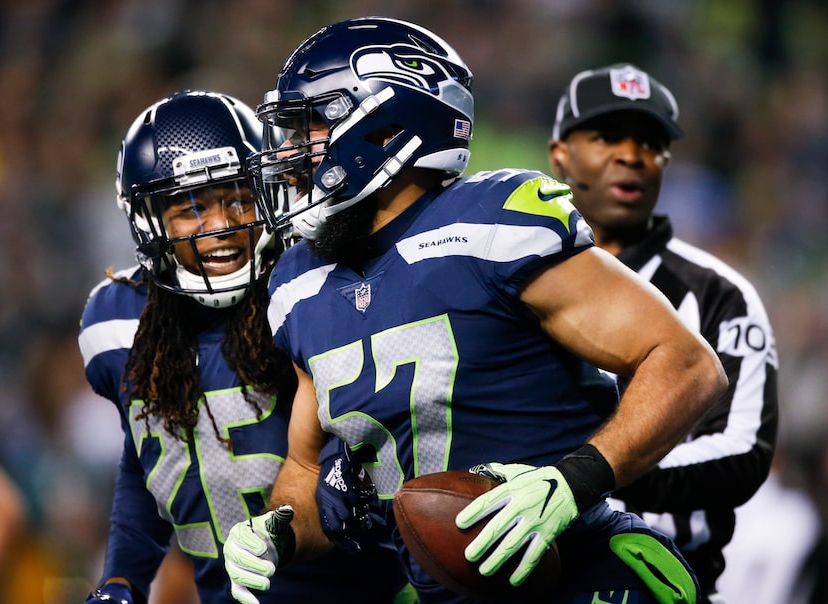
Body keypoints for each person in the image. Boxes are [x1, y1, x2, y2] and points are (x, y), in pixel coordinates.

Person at [222, 17, 727, 604]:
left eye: (309, 123)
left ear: (384, 123)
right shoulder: (296, 284)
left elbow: (687, 364)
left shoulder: (489, 224)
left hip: (574, 576)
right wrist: (277, 530)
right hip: (437, 590)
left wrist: (571, 483)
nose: (289, 150)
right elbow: (307, 472)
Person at [78, 89, 409, 604]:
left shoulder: (318, 294)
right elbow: (150, 458)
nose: (222, 226)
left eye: (237, 195)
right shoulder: (118, 324)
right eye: (191, 207)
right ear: (149, 221)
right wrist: (122, 579)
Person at [547, 63, 779, 603]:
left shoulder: (721, 294)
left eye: (650, 142)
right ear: (560, 154)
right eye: (607, 136)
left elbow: (744, 451)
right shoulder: (507, 275)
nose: (632, 155)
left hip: (665, 580)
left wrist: (580, 475)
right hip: (520, 576)